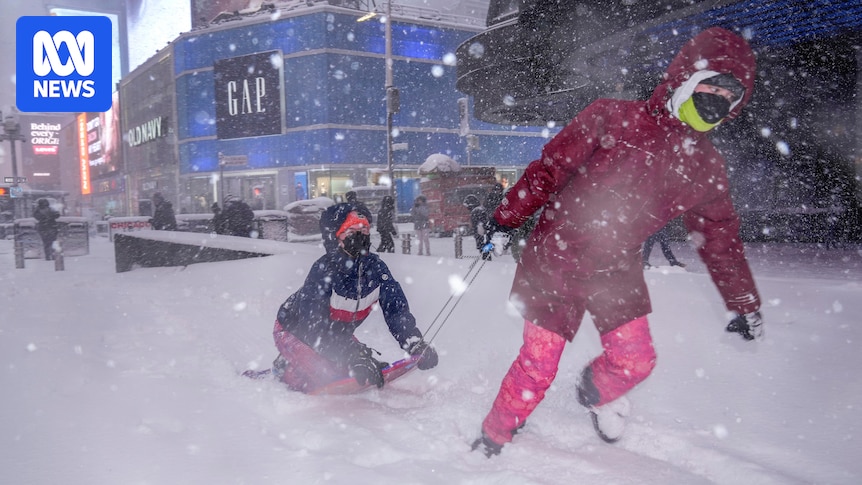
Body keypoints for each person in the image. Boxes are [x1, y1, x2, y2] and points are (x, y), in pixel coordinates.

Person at [472, 27, 764, 456]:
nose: (718, 99)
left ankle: (594, 391)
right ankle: (495, 435)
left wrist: (743, 303)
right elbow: (549, 170)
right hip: (555, 258)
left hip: (616, 269)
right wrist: (505, 220)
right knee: (538, 365)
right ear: (686, 79)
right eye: (712, 86)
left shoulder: (706, 166)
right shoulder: (611, 117)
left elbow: (720, 237)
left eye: (729, 95)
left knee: (636, 361)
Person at [270, 202, 438, 392]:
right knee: (325, 377)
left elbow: (396, 310)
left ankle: (327, 362)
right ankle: (286, 367)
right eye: (351, 232)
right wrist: (351, 354)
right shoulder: (323, 271)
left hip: (336, 334)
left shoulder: (376, 269)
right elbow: (313, 327)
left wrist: (413, 342)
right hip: (294, 331)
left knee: (356, 368)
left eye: (364, 231)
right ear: (335, 237)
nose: (360, 237)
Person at [463, 194, 491, 260]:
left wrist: (479, 235)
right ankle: (487, 258)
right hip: (485, 235)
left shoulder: (476, 211)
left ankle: (486, 259)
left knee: (484, 252)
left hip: (481, 235)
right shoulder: (481, 209)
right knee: (486, 251)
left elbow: (479, 225)